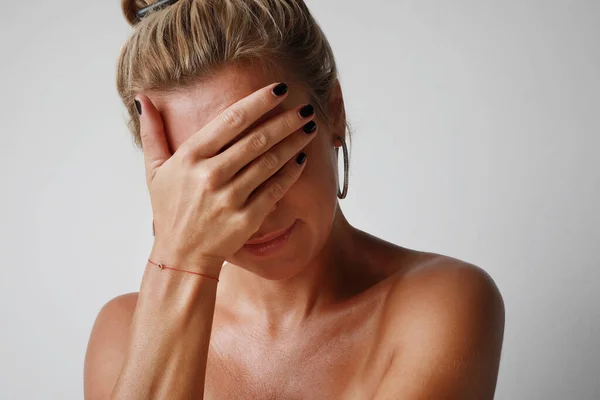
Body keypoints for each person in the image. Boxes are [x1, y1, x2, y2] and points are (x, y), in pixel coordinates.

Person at [84, 0, 505, 398]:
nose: (256, 213)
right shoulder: (122, 334)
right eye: (211, 180)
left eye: (271, 155)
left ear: (333, 112)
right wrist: (180, 258)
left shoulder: (437, 303)